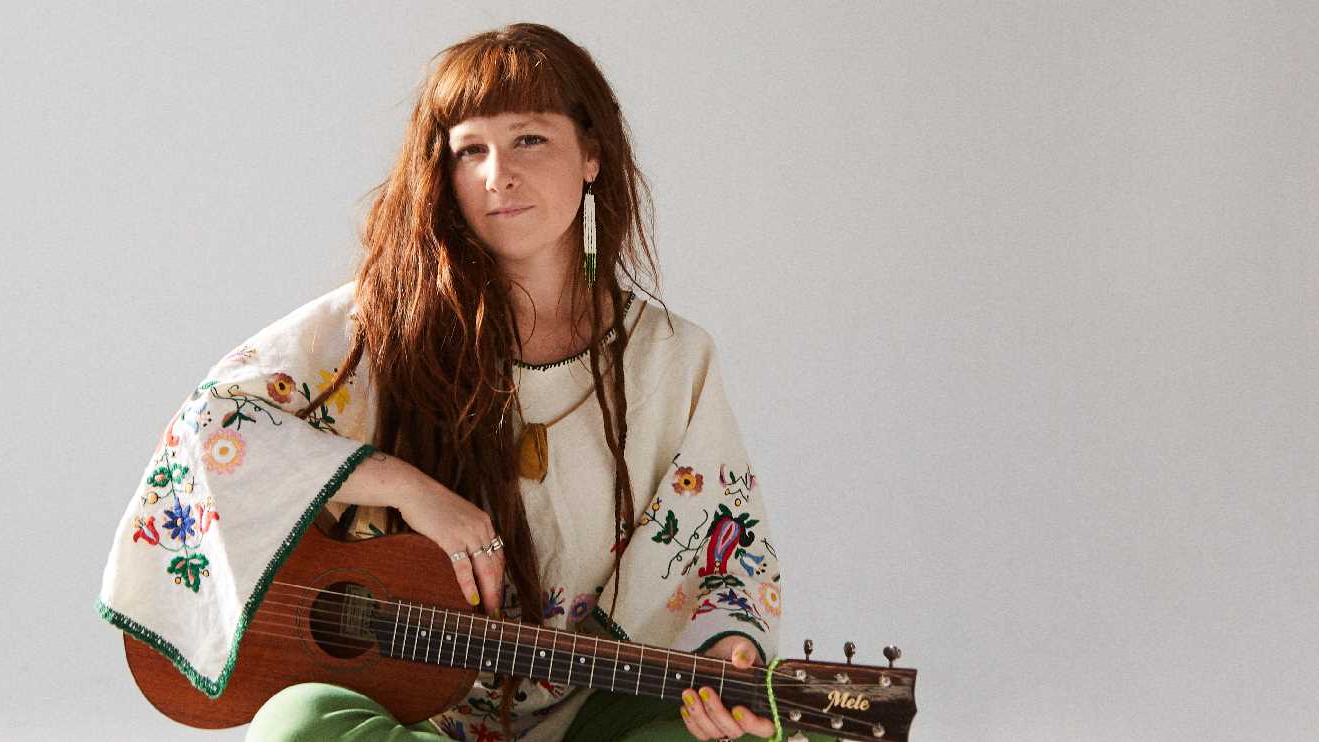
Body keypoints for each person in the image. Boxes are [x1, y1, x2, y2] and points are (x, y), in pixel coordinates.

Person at [99, 23, 827, 742]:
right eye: (468, 150)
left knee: (799, 734)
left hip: (600, 710)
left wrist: (732, 657)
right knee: (298, 726)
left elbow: (723, 554)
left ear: (593, 154)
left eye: (528, 140)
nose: (495, 174)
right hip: (413, 720)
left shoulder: (673, 357)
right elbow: (212, 429)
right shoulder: (380, 326)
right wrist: (411, 490)